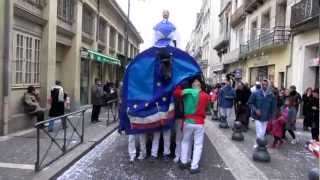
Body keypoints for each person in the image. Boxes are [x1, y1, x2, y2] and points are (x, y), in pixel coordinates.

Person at [174, 78, 211, 174]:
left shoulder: (187, 91)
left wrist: (178, 82)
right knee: (198, 144)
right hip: (199, 123)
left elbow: (176, 92)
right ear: (200, 85)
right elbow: (210, 104)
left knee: (185, 141)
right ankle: (194, 166)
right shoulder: (205, 95)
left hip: (188, 122)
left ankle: (183, 162)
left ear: (192, 85)